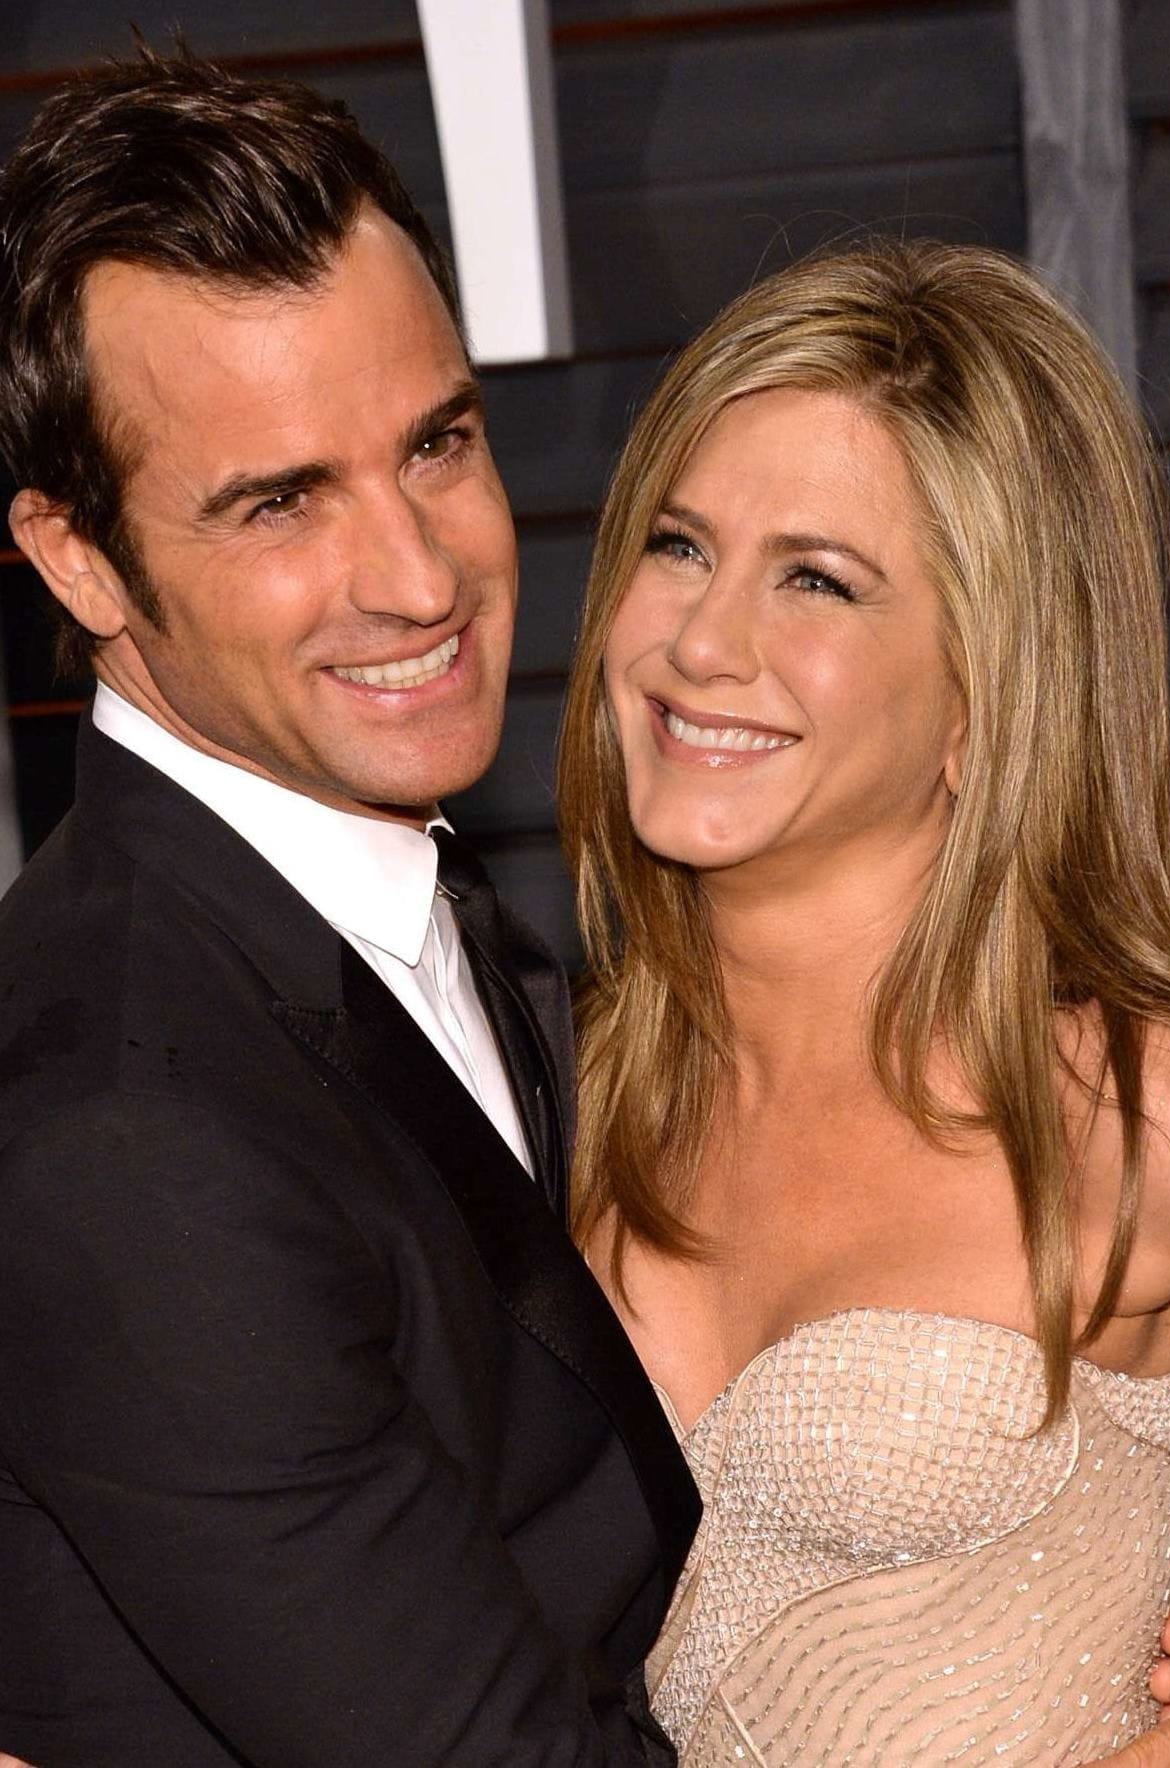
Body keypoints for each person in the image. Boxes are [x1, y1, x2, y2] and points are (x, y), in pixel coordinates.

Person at [0, 51, 699, 1768]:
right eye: (283, 502)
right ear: (79, 560)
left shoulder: (411, 907)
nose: (421, 574)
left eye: (436, 443)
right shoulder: (133, 1136)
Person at [558, 241, 1170, 1764]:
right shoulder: (543, 1103)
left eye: (817, 581)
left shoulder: (1134, 1101)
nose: (702, 644)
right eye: (680, 546)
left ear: (986, 689)